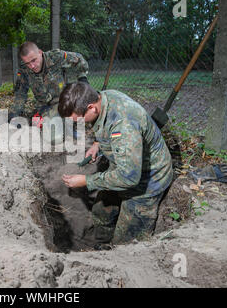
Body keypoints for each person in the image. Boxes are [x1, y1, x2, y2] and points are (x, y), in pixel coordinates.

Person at [58, 82, 173, 248]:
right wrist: (98, 144)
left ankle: (115, 252)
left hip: (148, 179)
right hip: (124, 166)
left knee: (127, 244)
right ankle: (100, 243)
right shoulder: (102, 97)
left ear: (91, 108)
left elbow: (129, 177)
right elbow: (106, 126)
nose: (78, 124)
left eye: (79, 120)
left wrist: (87, 181)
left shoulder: (124, 125)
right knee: (100, 211)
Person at [9, 41, 89, 123]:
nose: (32, 66)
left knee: (52, 123)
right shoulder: (24, 69)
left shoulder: (55, 57)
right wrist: (14, 113)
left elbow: (79, 59)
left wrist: (82, 79)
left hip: (63, 102)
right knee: (27, 121)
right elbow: (20, 94)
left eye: (34, 60)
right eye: (28, 63)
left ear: (40, 52)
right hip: (42, 106)